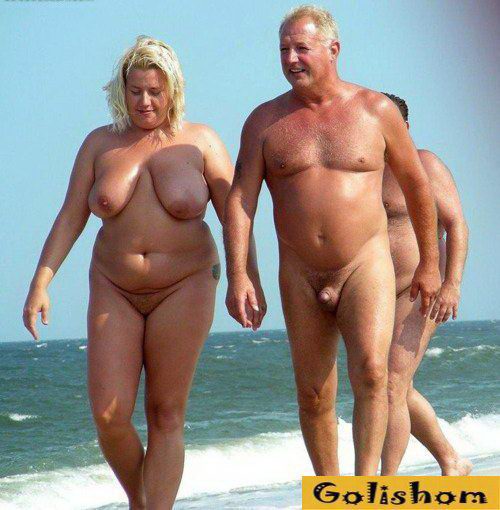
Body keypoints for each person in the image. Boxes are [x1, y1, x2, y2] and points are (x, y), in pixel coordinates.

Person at [22, 36, 263, 509]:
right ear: (122, 90)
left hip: (186, 284)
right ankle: (144, 502)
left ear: (172, 89)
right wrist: (40, 282)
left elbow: (236, 216)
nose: (145, 102)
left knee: (165, 413)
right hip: (114, 286)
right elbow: (71, 214)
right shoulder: (100, 143)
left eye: (155, 91)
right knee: (109, 415)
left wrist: (243, 278)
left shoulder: (201, 140)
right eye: (136, 91)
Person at [223, 5, 441, 476]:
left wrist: (430, 263)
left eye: (301, 48)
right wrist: (240, 274)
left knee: (373, 374)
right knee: (313, 392)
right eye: (284, 49)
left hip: (365, 265)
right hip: (299, 271)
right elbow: (241, 199)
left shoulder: (376, 111)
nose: (291, 59)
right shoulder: (264, 121)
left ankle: (364, 491)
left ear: (333, 49)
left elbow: (418, 187)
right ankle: (331, 494)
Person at [380, 93, 471, 475]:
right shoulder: (362, 173)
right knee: (391, 385)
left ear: (404, 127)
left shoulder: (425, 164)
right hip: (376, 293)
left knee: (391, 383)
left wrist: (452, 284)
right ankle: (451, 461)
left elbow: (456, 224)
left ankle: (384, 483)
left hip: (421, 289)